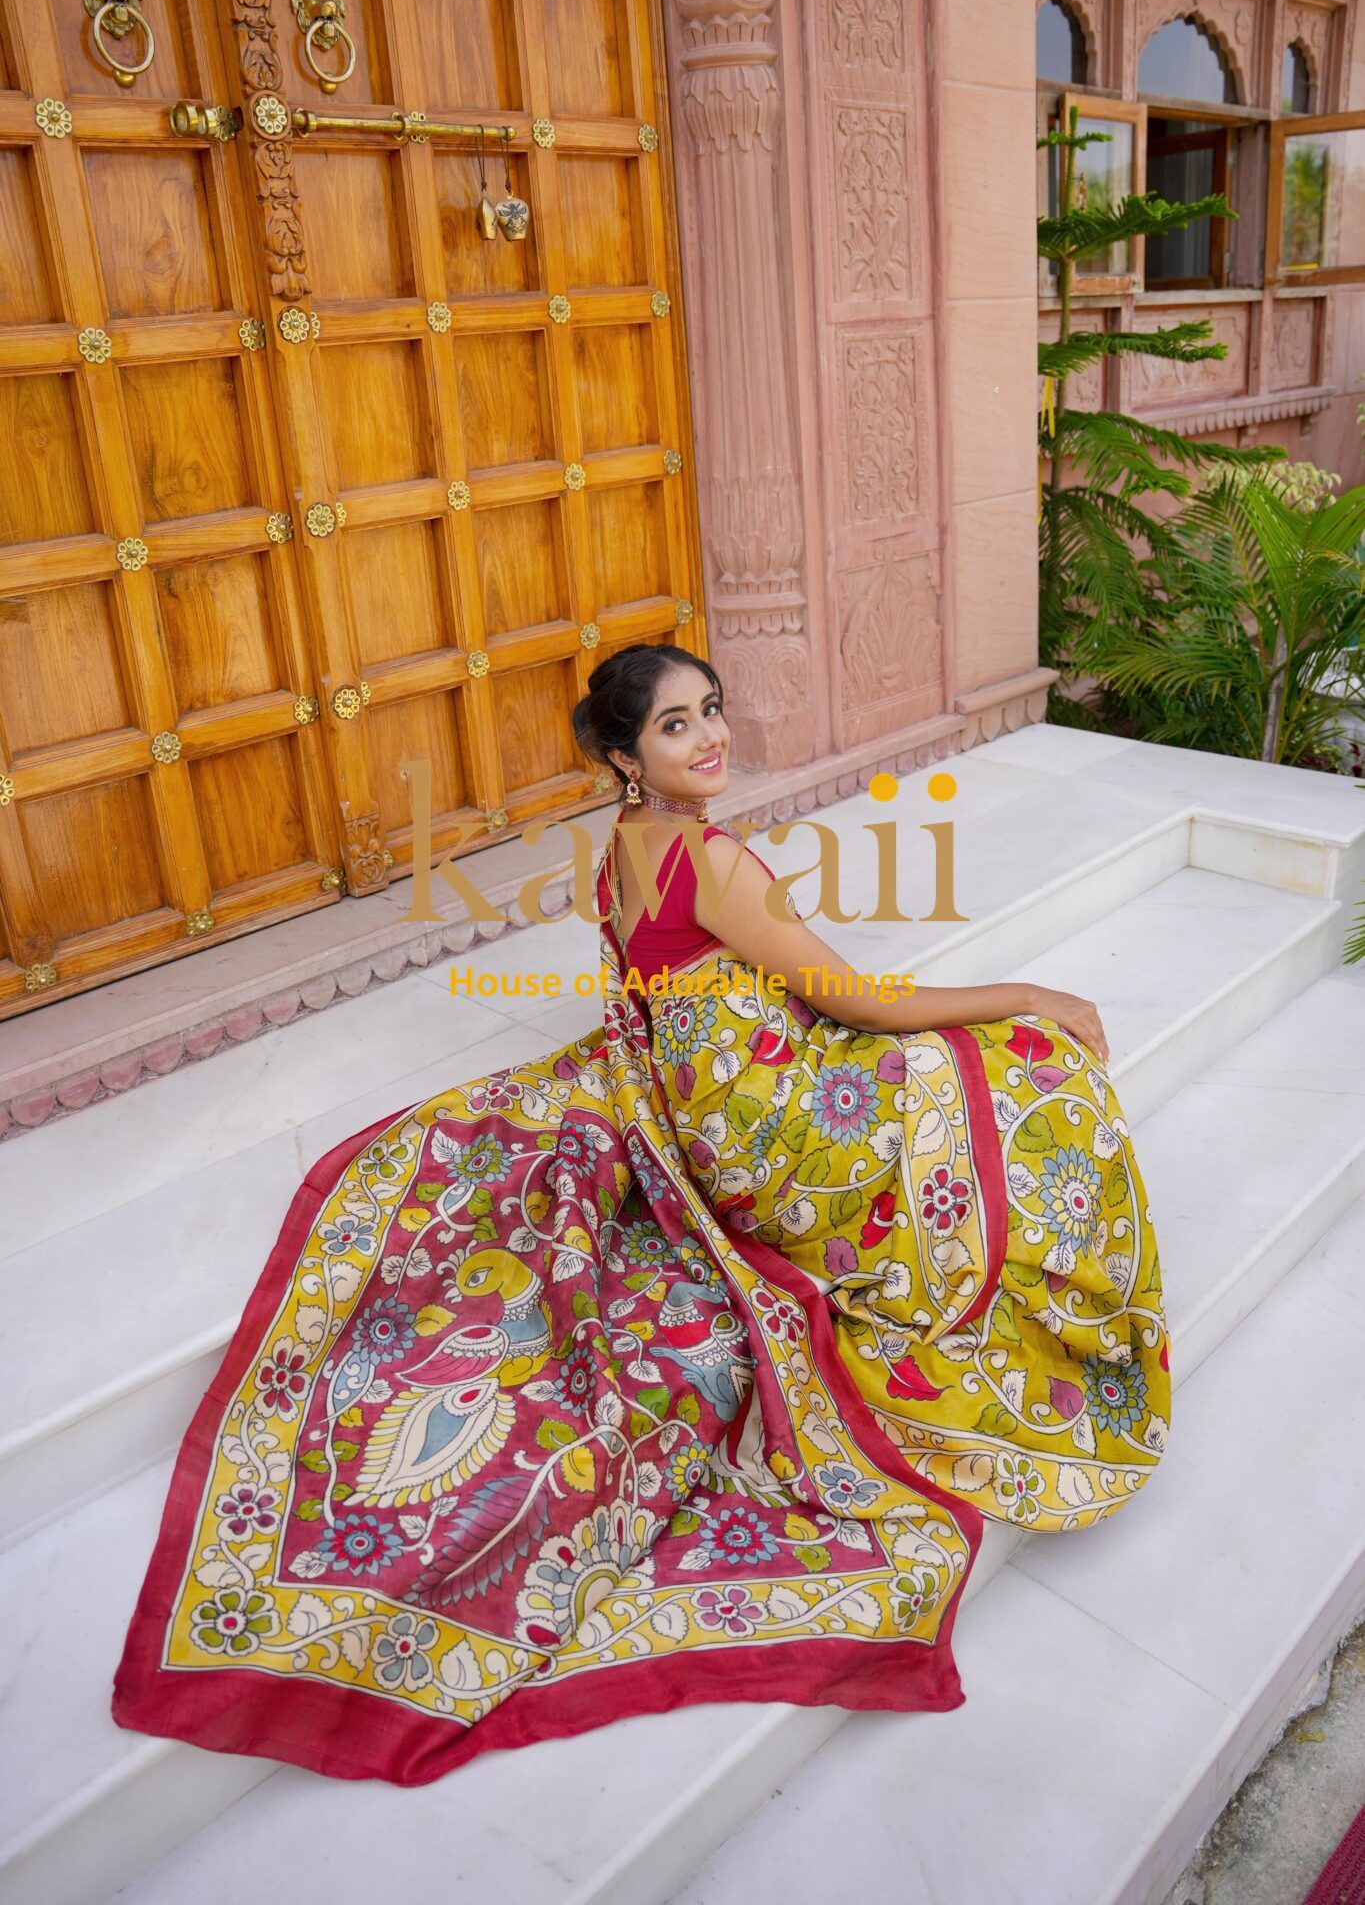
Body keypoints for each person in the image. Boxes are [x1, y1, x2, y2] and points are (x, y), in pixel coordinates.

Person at [112, 642, 1169, 1787]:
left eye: (711, 710)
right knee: (1033, 1077)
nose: (709, 736)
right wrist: (1028, 989)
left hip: (692, 1106)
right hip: (763, 1127)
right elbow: (855, 998)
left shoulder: (623, 844)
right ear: (625, 753)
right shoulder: (713, 858)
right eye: (676, 725)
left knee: (975, 1066)